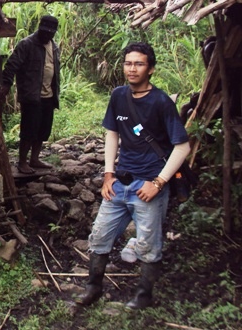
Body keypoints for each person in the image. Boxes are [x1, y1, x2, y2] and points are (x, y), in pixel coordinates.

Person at [75, 42, 190, 310]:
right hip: (119, 184)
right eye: (128, 63)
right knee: (100, 237)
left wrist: (159, 183)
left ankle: (143, 295)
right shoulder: (118, 96)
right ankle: (92, 287)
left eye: (139, 64)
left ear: (151, 69)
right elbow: (112, 133)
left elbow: (182, 146)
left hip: (149, 186)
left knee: (149, 245)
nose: (132, 68)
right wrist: (108, 174)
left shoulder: (161, 102)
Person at [0, 15, 60, 174]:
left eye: (50, 33)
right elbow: (11, 65)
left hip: (48, 95)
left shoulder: (53, 46)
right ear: (39, 28)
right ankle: (22, 162)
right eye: (44, 31)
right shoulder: (26, 44)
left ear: (54, 33)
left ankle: (35, 159)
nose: (47, 35)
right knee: (29, 130)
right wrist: (6, 83)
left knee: (42, 130)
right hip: (32, 96)